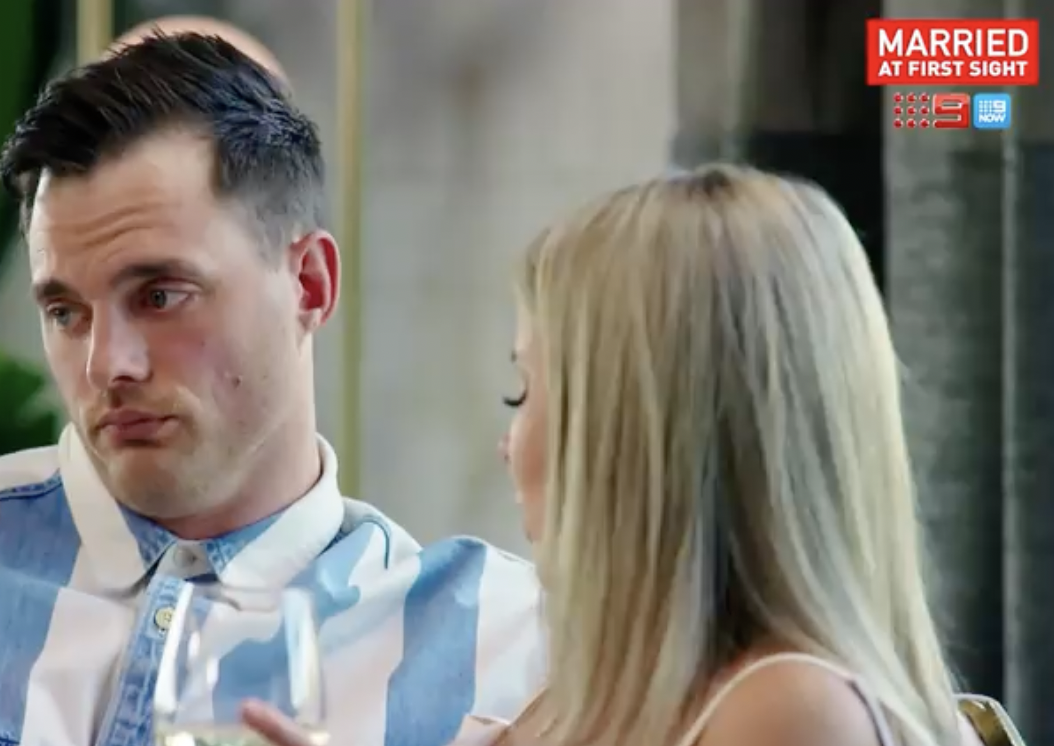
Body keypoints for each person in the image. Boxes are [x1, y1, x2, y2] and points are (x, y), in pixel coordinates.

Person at [0, 33, 543, 746]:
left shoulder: (510, 654)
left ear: (310, 285)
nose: (107, 364)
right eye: (64, 311)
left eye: (160, 296)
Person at [243, 165, 998, 746]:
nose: (509, 444)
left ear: (633, 433)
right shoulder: (588, 700)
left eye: (524, 391)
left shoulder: (789, 711)